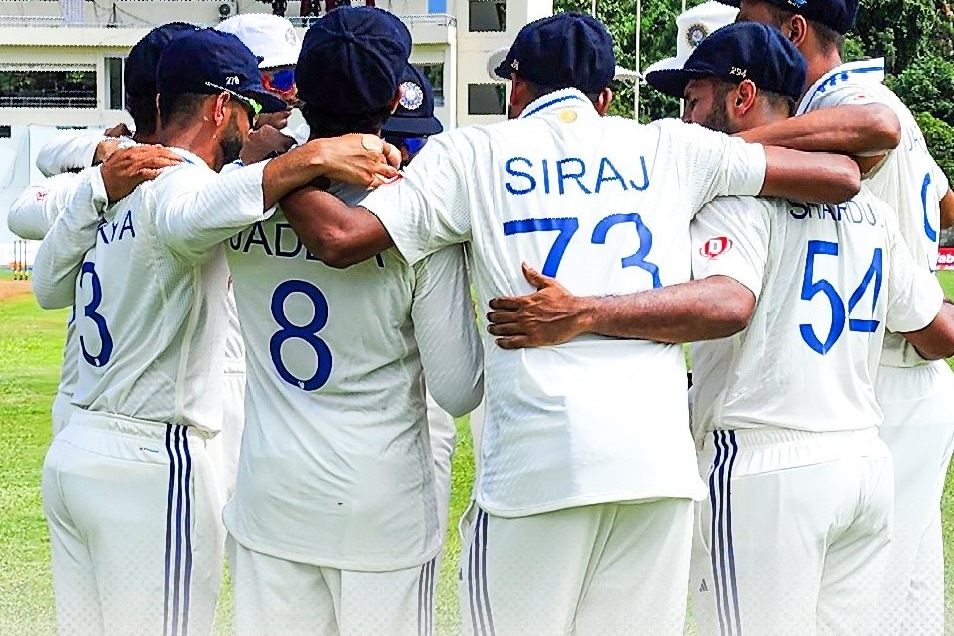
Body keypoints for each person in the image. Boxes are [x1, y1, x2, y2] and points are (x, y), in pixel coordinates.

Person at [276, 12, 864, 634]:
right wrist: (718, 155)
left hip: (538, 468)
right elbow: (841, 177)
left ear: (516, 90)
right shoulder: (668, 145)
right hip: (655, 470)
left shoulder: (473, 152)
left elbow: (340, 237)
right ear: (605, 97)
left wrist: (282, 167)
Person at [30, 28, 398, 636]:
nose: (254, 128)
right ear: (220, 106)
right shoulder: (180, 185)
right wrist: (306, 159)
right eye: (249, 110)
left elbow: (47, 287)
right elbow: (186, 216)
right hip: (152, 461)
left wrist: (94, 184)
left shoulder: (116, 186)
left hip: (75, 455)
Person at [216, 10, 483, 634]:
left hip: (270, 500)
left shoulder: (243, 192)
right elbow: (457, 387)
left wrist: (278, 166)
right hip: (380, 511)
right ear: (396, 98)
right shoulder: (419, 211)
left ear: (299, 92)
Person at [724, 0, 954, 631]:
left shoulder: (838, 104)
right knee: (902, 599)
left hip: (876, 375)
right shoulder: (884, 98)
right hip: (909, 374)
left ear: (793, 30)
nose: (739, 30)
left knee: (846, 608)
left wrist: (728, 147)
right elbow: (944, 201)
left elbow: (874, 132)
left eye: (750, 18)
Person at [8, 23, 199, 437]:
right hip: (148, 422)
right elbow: (23, 210)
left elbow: (25, 207)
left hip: (83, 403)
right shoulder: (194, 186)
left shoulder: (101, 178)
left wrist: (97, 156)